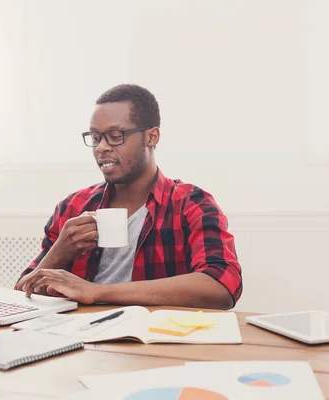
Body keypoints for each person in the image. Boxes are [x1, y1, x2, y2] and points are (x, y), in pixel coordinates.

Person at [14, 84, 242, 309]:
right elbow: (23, 292)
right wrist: (60, 252)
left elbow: (221, 285)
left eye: (115, 136)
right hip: (83, 337)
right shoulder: (72, 207)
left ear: (152, 137)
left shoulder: (191, 204)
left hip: (154, 336)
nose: (101, 147)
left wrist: (96, 292)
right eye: (95, 137)